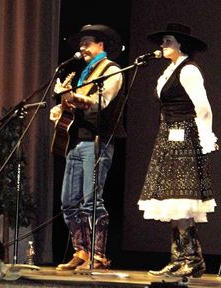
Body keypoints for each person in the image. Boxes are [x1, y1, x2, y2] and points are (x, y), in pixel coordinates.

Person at [138, 23, 218, 278]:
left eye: (168, 40)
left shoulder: (189, 70)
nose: (162, 45)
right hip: (168, 138)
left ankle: (193, 259)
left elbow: (203, 107)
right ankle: (179, 258)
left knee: (181, 201)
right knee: (171, 202)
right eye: (162, 41)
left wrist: (206, 137)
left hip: (185, 137)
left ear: (181, 44)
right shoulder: (168, 71)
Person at [50, 24, 126, 270]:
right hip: (75, 141)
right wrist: (61, 107)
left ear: (101, 45)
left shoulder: (112, 71)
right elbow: (74, 106)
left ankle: (99, 255)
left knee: (91, 200)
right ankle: (81, 251)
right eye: (80, 44)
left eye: (87, 43)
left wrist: (72, 97)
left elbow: (99, 103)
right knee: (69, 202)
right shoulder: (85, 74)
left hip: (98, 141)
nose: (82, 48)